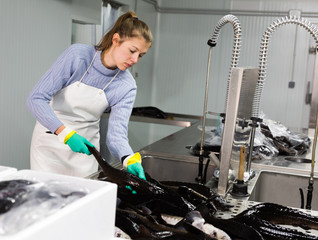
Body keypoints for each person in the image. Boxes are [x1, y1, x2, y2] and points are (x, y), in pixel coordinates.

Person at [26, 11, 152, 179]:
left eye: (140, 55)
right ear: (115, 40)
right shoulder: (78, 56)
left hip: (84, 153)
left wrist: (128, 158)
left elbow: (116, 135)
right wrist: (66, 134)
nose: (135, 59)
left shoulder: (126, 86)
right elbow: (36, 99)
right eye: (132, 50)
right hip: (49, 146)